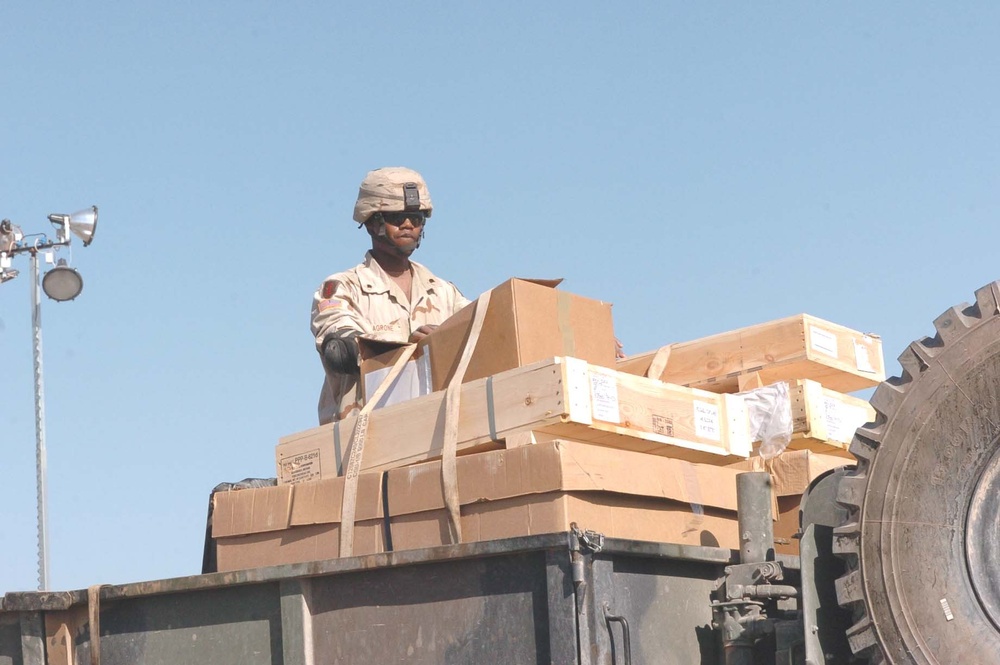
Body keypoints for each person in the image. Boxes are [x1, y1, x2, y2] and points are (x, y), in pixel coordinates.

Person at [311, 167, 471, 425]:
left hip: (434, 430)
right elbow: (339, 350)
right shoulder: (344, 287)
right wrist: (409, 348)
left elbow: (481, 336)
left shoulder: (444, 293)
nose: (408, 225)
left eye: (416, 218)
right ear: (373, 222)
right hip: (363, 438)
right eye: (397, 217)